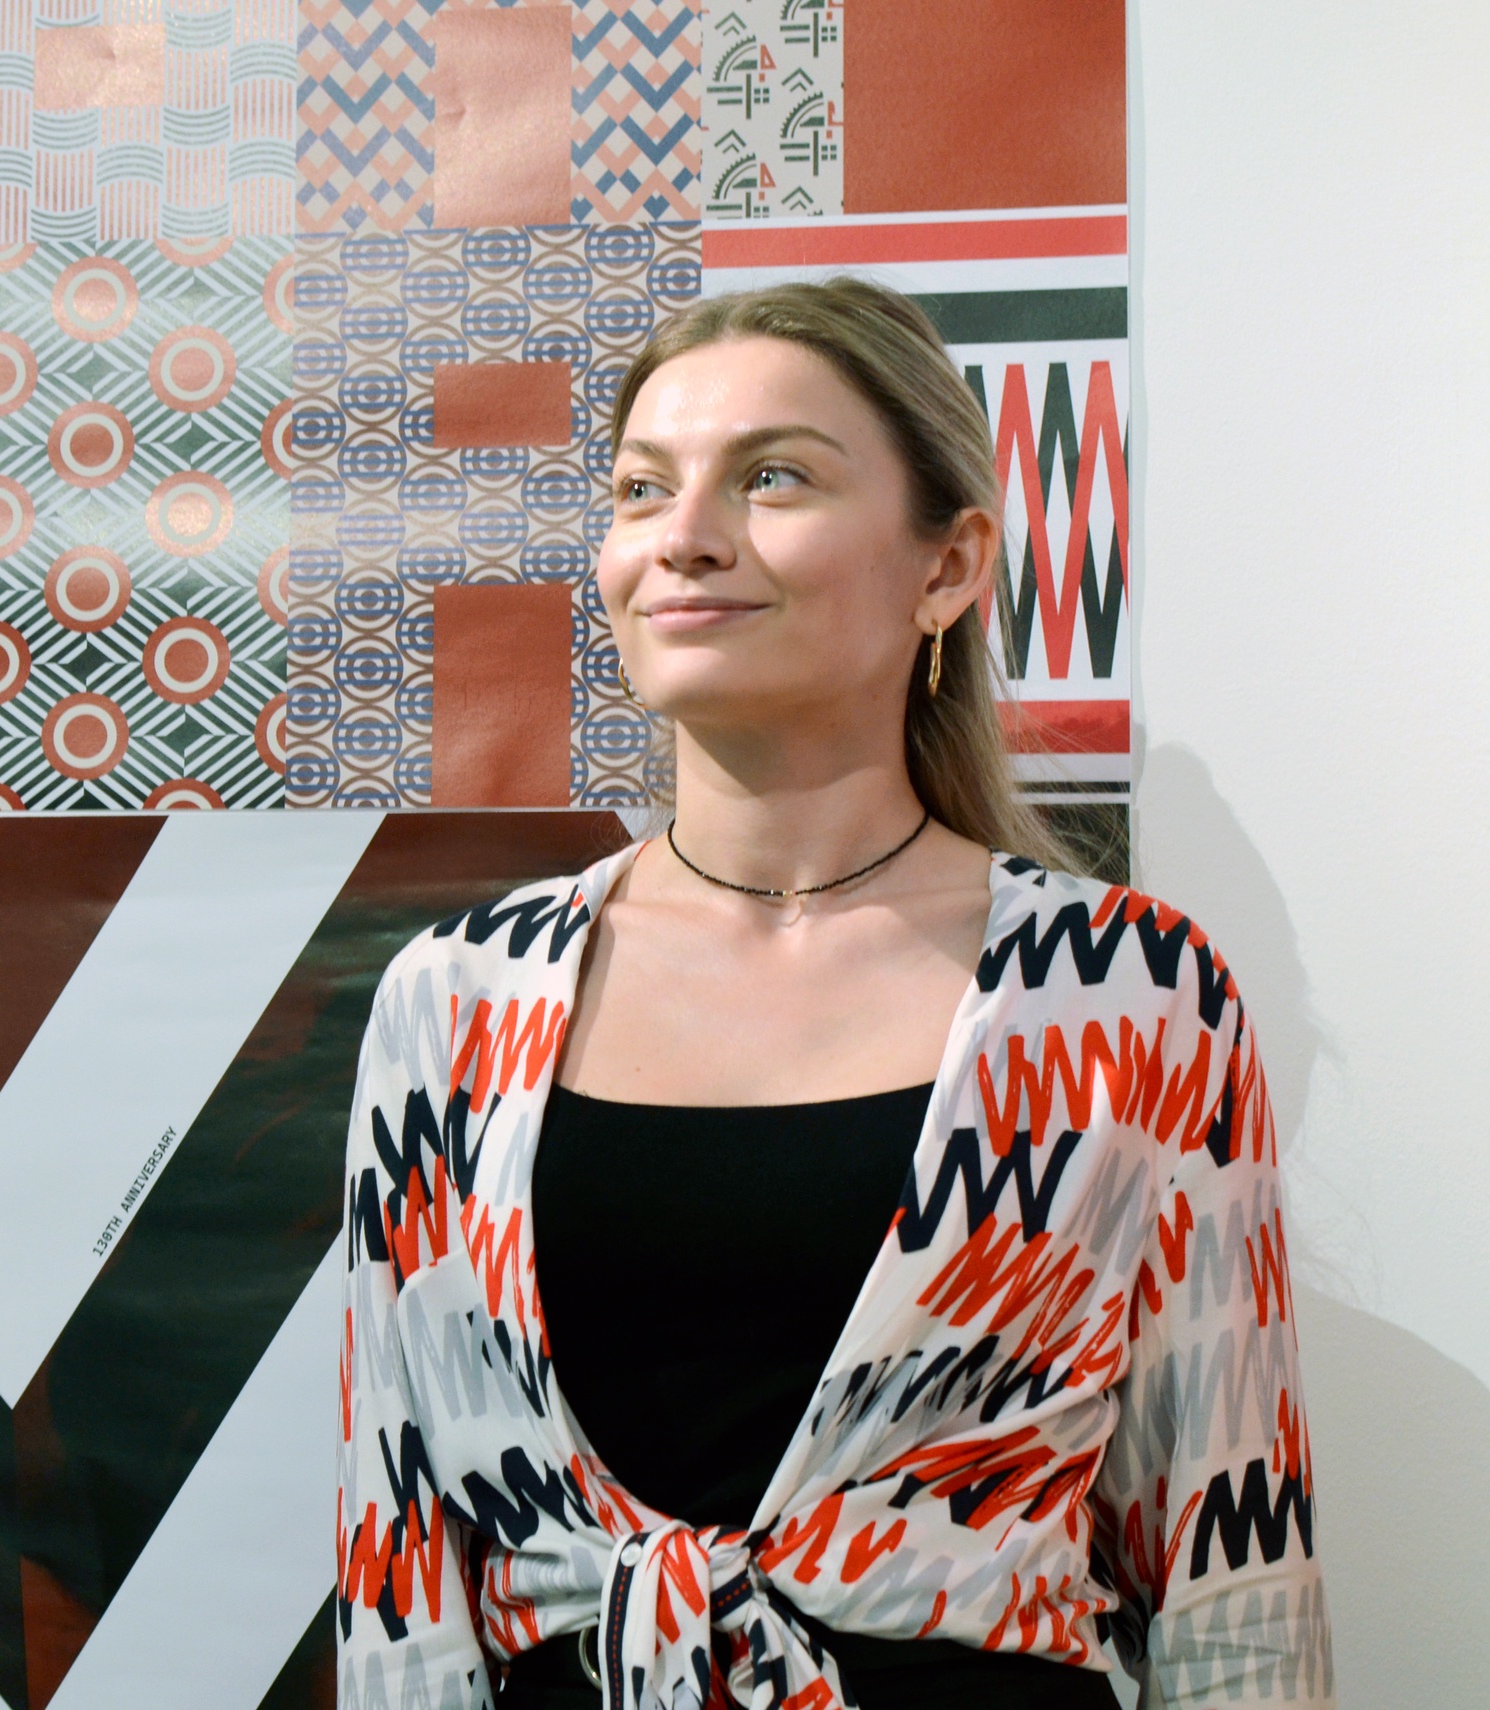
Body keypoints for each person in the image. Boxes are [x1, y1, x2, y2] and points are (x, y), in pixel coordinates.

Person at [334, 280, 1330, 1710]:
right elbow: (400, 1566)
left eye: (773, 477)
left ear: (948, 566)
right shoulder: (454, 1004)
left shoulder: (1125, 995)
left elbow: (1233, 1570)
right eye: (640, 488)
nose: (682, 536)